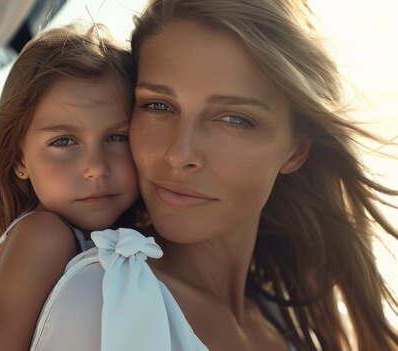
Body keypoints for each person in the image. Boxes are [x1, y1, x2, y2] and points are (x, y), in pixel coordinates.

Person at [30, 0, 398, 350]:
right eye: (158, 106)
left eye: (234, 119)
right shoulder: (102, 299)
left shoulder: (287, 320)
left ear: (296, 149)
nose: (180, 154)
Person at [0, 24, 140, 351]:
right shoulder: (44, 236)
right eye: (63, 141)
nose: (96, 167)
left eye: (118, 137)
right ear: (19, 160)